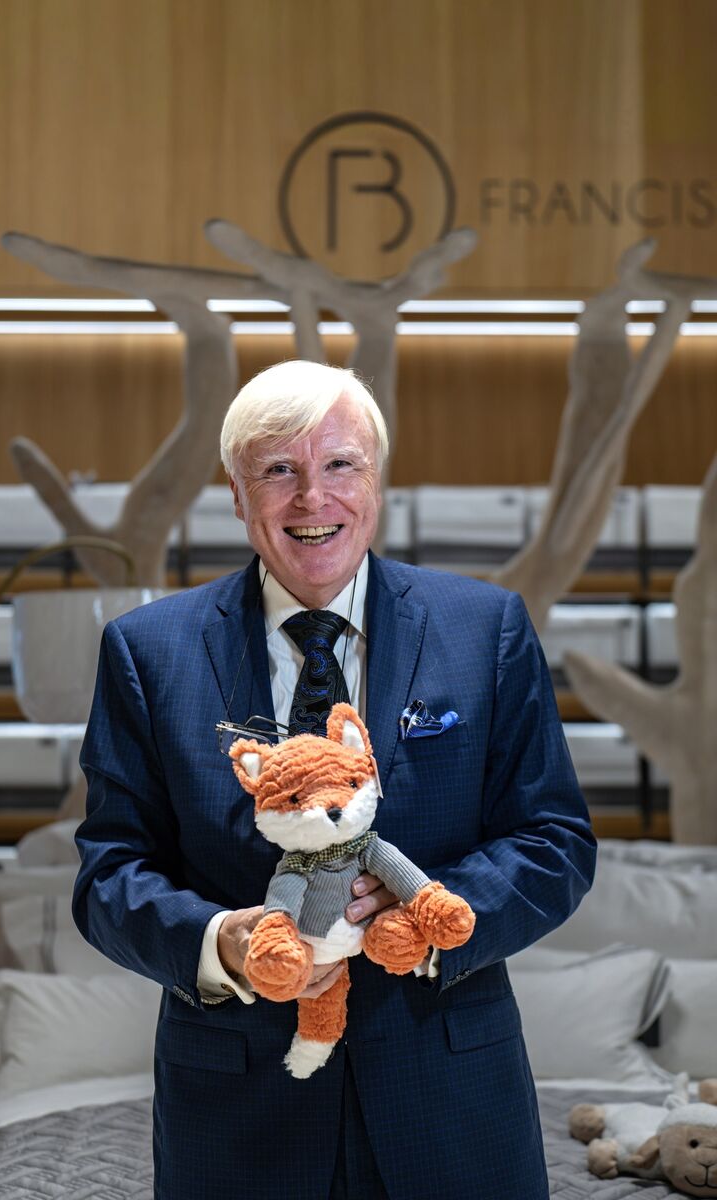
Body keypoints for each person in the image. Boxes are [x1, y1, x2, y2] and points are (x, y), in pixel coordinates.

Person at [73, 359, 596, 1200]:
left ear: (376, 481)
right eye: (279, 470)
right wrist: (224, 946)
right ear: (239, 496)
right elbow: (108, 876)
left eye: (339, 465)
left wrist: (428, 915)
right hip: (238, 1121)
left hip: (454, 1108)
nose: (312, 499)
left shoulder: (485, 629)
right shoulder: (147, 652)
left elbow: (555, 841)